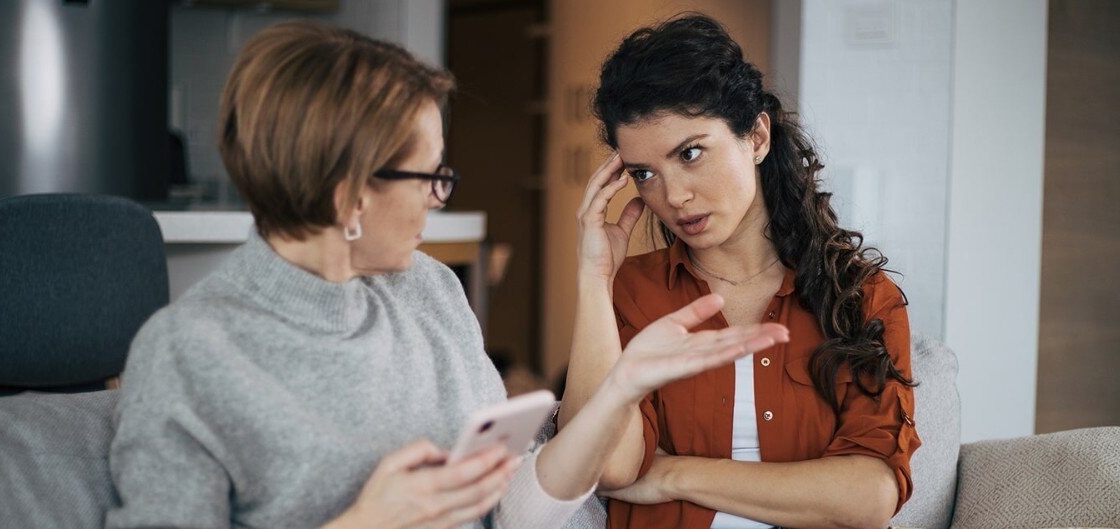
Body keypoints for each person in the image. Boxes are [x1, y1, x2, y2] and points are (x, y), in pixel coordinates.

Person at [106, 20, 788, 529]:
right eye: (429, 174)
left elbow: (516, 507)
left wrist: (622, 387)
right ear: (350, 193)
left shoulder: (429, 291)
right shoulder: (190, 351)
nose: (441, 196)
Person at [557, 14, 922, 529]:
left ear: (756, 136)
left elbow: (868, 497)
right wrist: (595, 280)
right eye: (645, 174)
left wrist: (672, 476)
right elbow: (607, 466)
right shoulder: (631, 291)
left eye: (691, 153)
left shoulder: (863, 298)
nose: (674, 196)